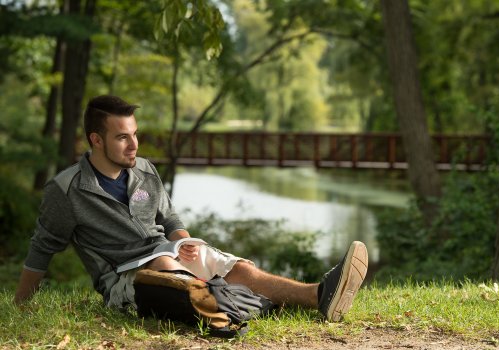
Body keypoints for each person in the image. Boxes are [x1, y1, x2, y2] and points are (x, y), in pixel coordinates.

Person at [14, 95, 368, 322]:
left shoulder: (146, 170)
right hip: (124, 279)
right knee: (165, 265)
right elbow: (42, 249)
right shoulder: (66, 190)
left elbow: (169, 219)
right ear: (96, 140)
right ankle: (251, 303)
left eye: (135, 134)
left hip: (167, 255)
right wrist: (20, 307)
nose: (134, 144)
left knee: (236, 267)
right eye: (122, 137)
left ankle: (319, 295)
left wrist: (185, 241)